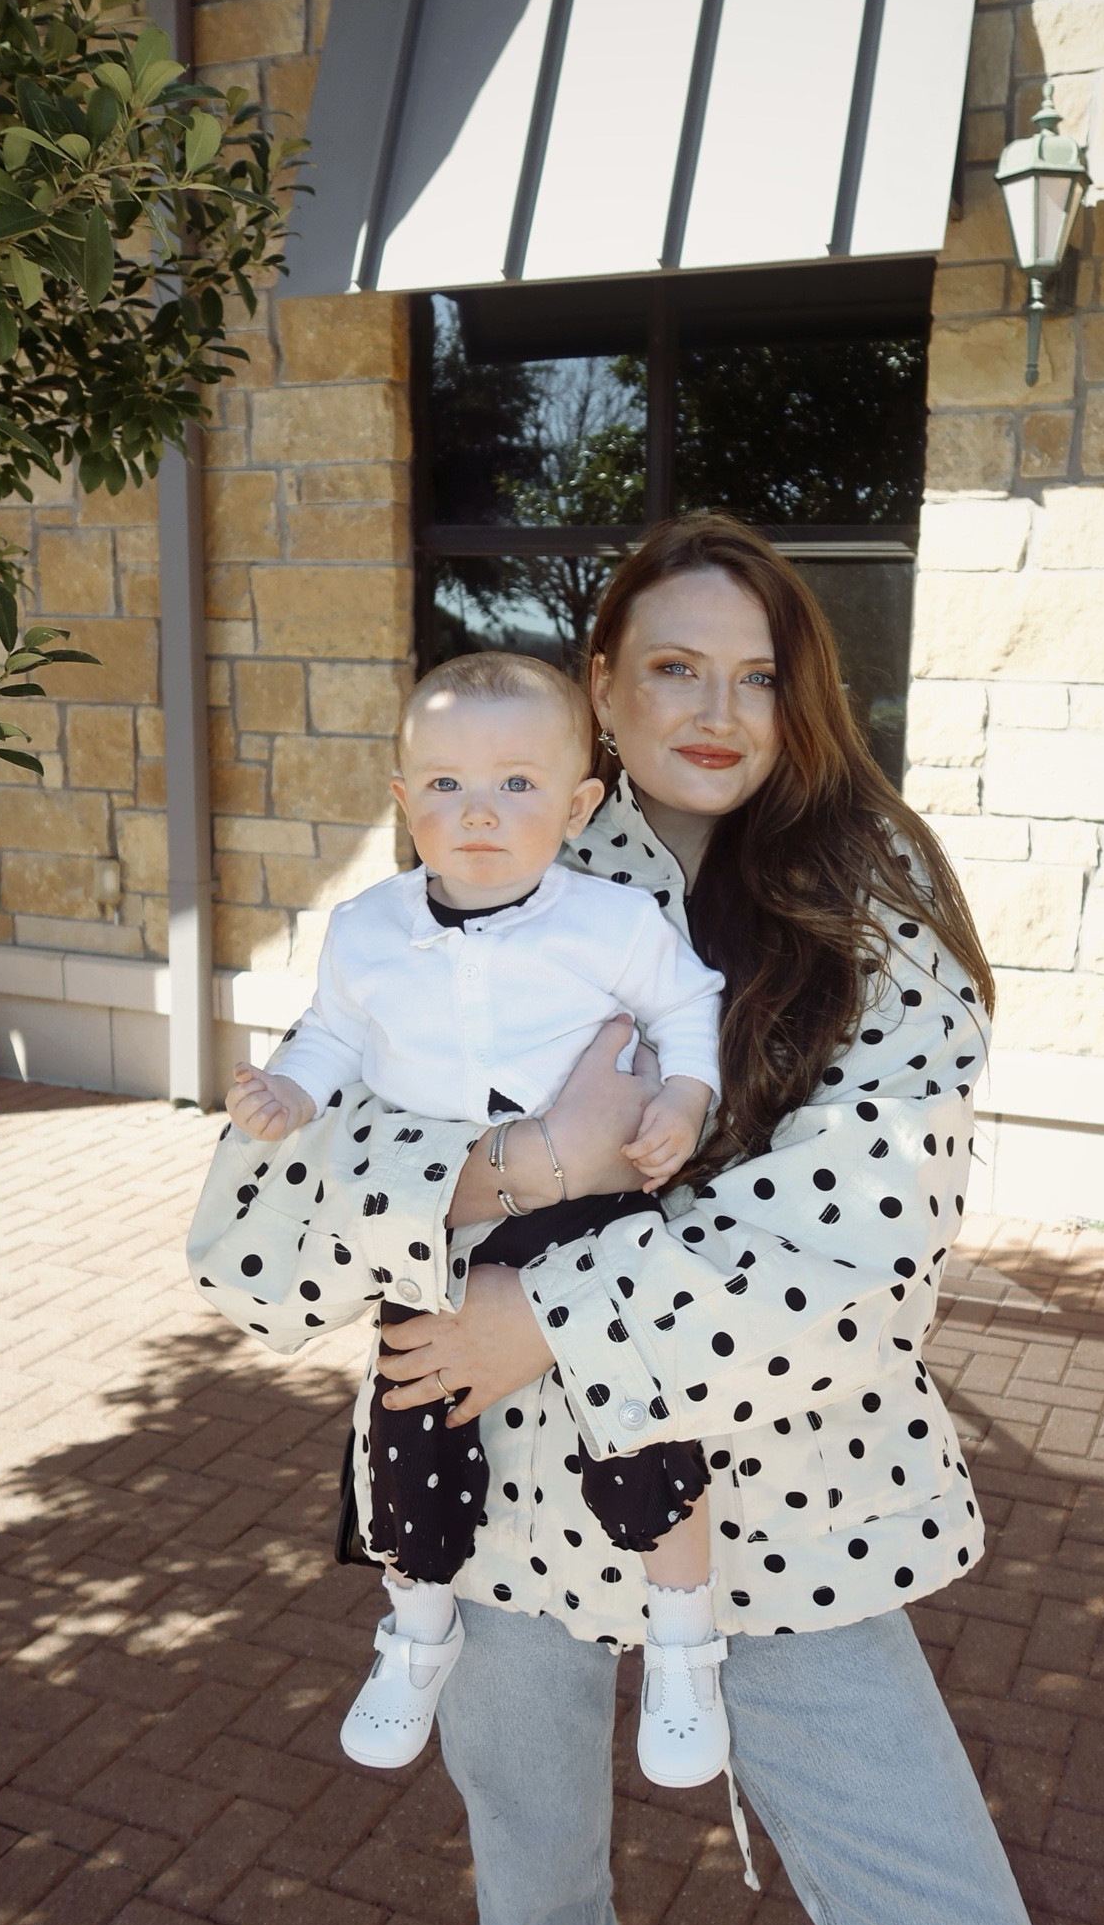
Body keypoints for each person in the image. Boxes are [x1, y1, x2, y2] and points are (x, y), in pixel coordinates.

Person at [330, 515, 1037, 1925]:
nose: (717, 715)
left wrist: (542, 1314)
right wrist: (517, 1170)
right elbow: (285, 1194)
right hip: (496, 1487)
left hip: (781, 1485)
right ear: (600, 684)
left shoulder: (873, 889)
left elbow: (864, 1235)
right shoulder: (487, 856)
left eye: (757, 677)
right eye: (671, 669)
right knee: (534, 1896)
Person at [223, 653, 731, 1788]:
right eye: (445, 786)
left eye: (514, 783)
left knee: (640, 1410)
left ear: (576, 803)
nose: (479, 812)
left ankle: (686, 1635)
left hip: (594, 1214)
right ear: (405, 804)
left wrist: (686, 1096)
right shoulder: (367, 927)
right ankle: (415, 1627)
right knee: (406, 1422)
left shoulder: (612, 920)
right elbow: (333, 1036)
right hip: (440, 1218)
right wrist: (291, 1091)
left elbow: (689, 1001)